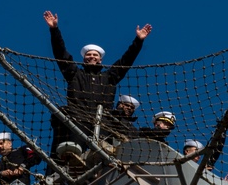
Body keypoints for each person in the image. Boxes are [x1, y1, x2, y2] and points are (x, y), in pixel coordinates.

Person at [44, 10, 152, 157]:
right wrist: (54, 29)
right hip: (78, 119)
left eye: (95, 55)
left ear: (100, 59)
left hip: (103, 123)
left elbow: (126, 61)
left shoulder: (109, 77)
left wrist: (138, 41)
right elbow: (60, 53)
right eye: (89, 55)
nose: (92, 57)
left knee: (101, 156)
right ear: (84, 59)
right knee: (74, 153)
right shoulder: (74, 74)